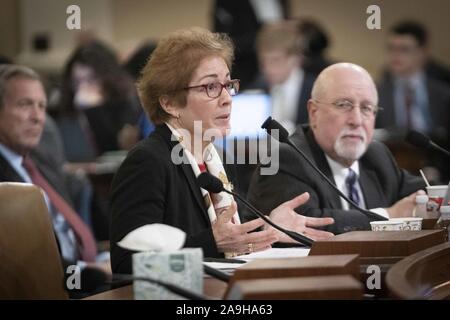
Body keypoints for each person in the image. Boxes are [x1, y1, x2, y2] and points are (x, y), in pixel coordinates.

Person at [109, 27, 334, 274]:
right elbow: (127, 264)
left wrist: (269, 227)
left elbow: (231, 237)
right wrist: (212, 243)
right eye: (210, 87)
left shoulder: (219, 160)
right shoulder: (148, 162)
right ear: (170, 102)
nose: (227, 98)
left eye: (227, 85)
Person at [247, 63, 426, 234]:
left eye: (366, 108)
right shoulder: (286, 160)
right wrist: (387, 216)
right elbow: (305, 224)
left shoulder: (376, 155)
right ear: (314, 112)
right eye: (343, 105)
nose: (356, 120)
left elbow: (421, 194)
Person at [0, 64, 110, 297]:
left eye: (42, 106)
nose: (38, 117)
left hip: (90, 265)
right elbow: (22, 263)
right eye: (25, 104)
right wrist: (95, 271)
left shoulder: (40, 159)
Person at [55, 41, 140, 162]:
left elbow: (115, 151)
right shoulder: (66, 116)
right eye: (77, 82)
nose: (84, 88)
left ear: (108, 79)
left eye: (91, 80)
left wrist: (95, 110)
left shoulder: (127, 106)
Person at [250, 21, 317, 134]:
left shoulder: (315, 91)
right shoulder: (256, 90)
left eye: (275, 60)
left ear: (295, 58)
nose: (267, 68)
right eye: (263, 61)